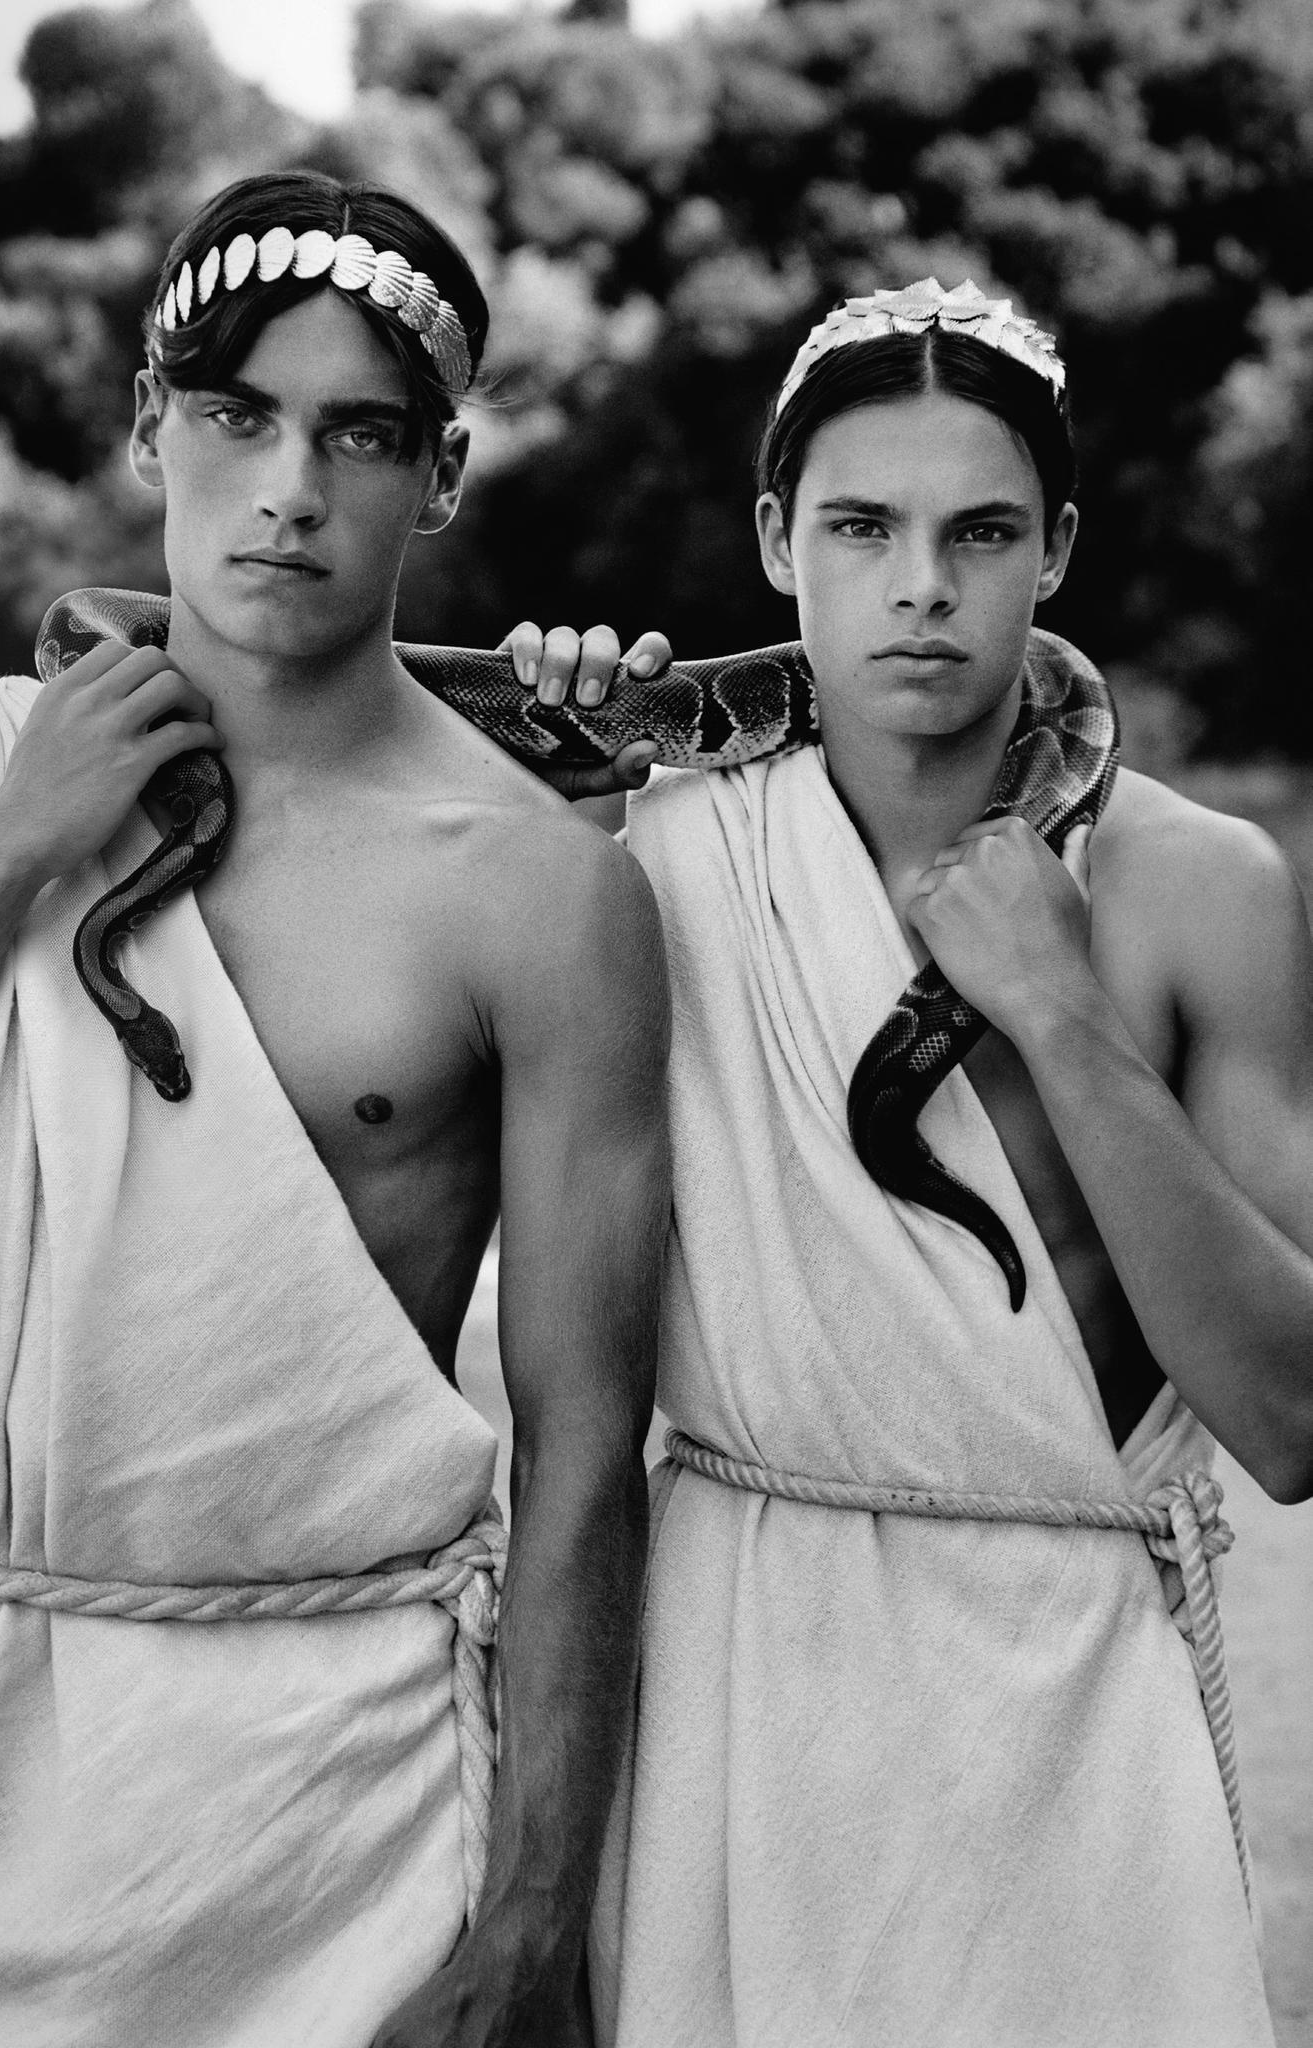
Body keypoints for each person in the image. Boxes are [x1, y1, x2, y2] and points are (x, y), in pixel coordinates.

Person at [0, 171, 671, 2048]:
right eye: (238, 415)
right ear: (150, 426)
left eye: (361, 435)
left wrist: (535, 1924)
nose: (290, 488)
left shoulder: (536, 886)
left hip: (348, 1794)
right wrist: (17, 848)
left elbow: (584, 1446)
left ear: (442, 475)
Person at [507, 280, 1313, 2045]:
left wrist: (1063, 1014)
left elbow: (1293, 1414)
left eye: (983, 532)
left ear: (1059, 550)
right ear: (777, 541)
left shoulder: (1199, 888)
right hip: (744, 1686)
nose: (923, 585)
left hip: (1075, 1715)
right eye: (864, 527)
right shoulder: (646, 861)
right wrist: (532, 793)